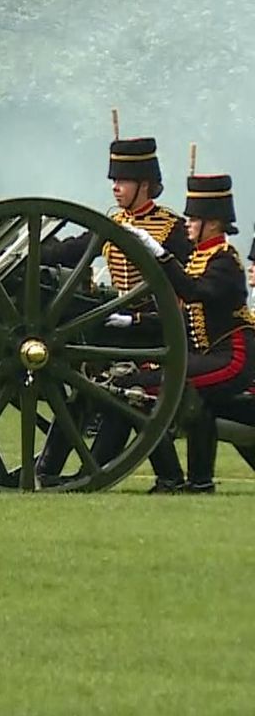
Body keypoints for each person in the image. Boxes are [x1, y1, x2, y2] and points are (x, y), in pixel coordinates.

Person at [38, 136, 193, 485]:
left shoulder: (172, 229)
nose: (115, 187)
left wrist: (140, 318)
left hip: (157, 329)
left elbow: (189, 287)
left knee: (123, 397)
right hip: (118, 328)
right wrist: (32, 250)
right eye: (113, 180)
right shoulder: (113, 223)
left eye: (122, 180)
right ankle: (49, 470)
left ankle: (102, 473)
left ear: (145, 184)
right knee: (85, 388)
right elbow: (72, 251)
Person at [92, 173, 255, 493]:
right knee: (182, 400)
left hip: (233, 359)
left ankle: (170, 477)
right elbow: (181, 316)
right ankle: (197, 481)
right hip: (209, 357)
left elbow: (193, 293)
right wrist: (134, 321)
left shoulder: (225, 261)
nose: (188, 224)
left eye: (194, 218)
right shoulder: (199, 259)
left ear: (213, 223)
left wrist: (159, 254)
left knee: (142, 390)